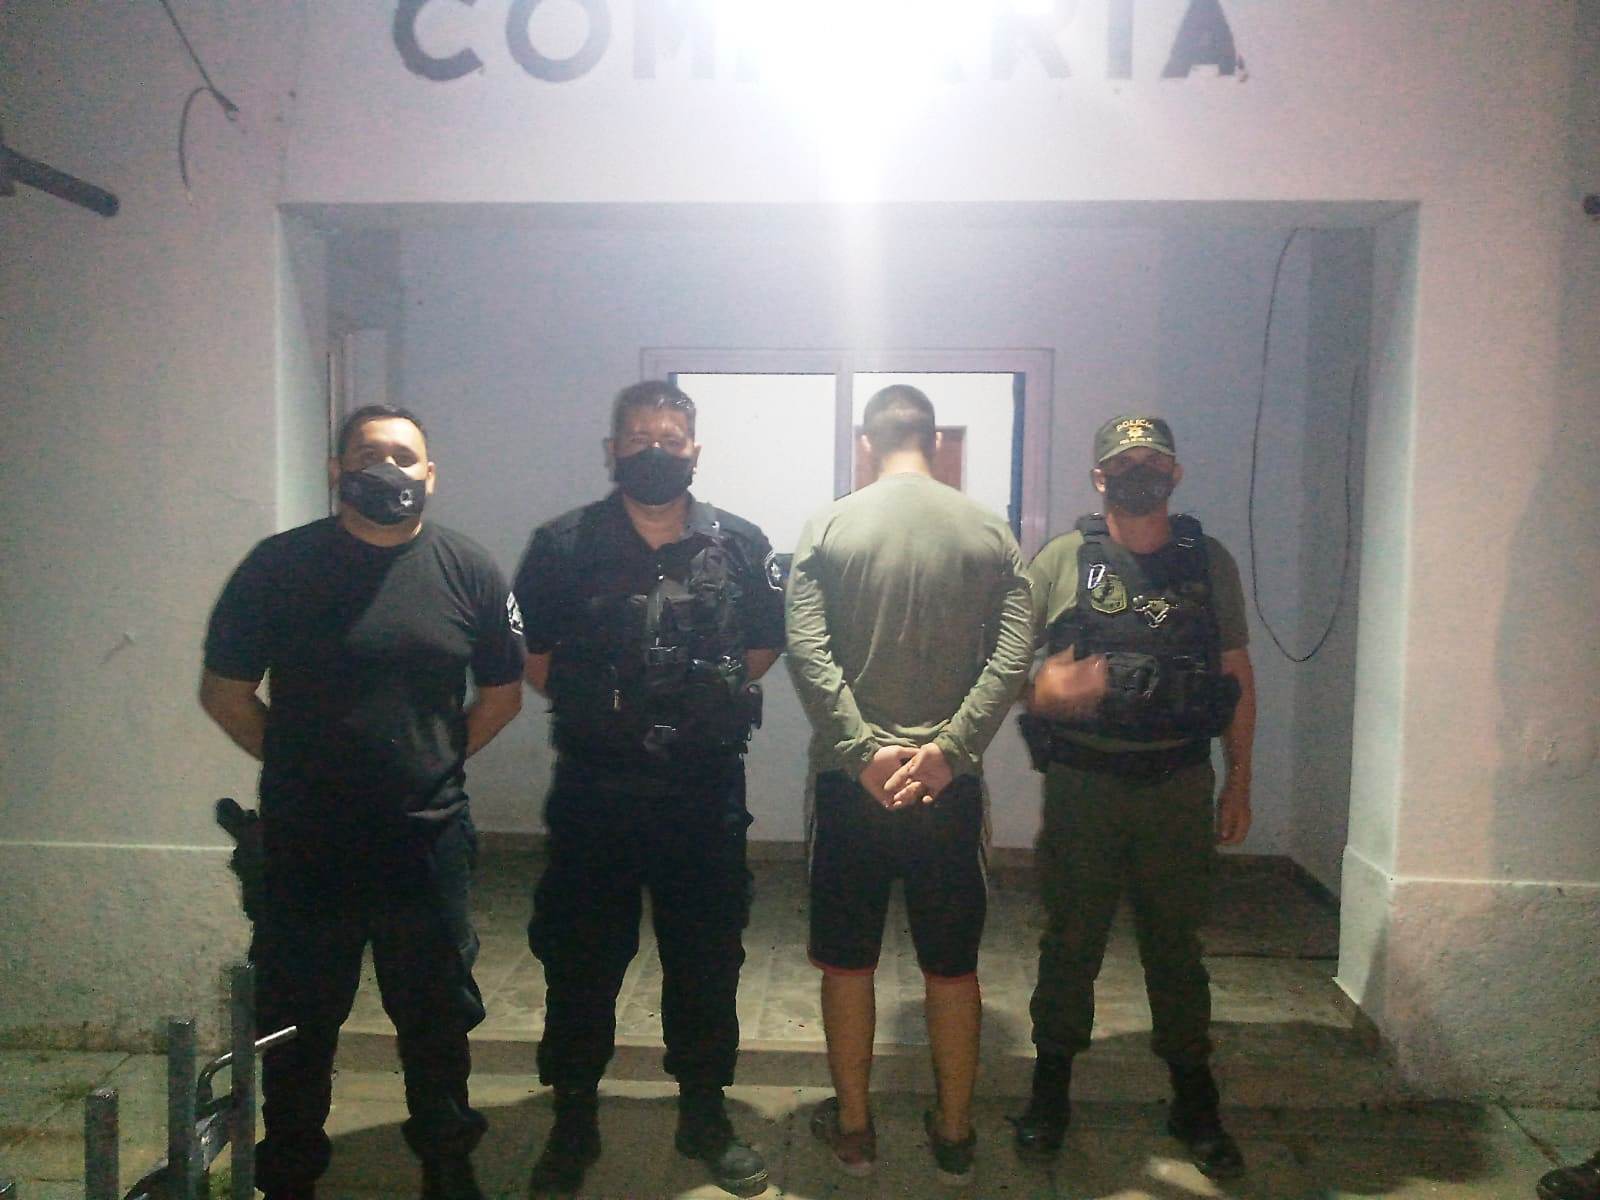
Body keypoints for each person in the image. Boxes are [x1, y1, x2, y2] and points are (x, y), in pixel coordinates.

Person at [199, 404, 526, 1200]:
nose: (387, 469)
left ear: (430, 475)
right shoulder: (280, 566)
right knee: (296, 1018)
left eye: (404, 457)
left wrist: (431, 763)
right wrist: (302, 766)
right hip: (309, 841)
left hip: (427, 841)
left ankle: (446, 1162)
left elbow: (503, 695)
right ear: (337, 470)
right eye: (369, 453)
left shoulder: (469, 569)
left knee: (438, 1015)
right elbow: (226, 693)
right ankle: (291, 1166)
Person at [512, 380, 785, 1198]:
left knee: (707, 957)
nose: (654, 451)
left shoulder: (741, 544)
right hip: (597, 791)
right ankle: (573, 1116)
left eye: (670, 438)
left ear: (695, 451)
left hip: (702, 793)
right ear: (612, 450)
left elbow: (764, 645)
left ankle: (705, 1113)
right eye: (637, 437)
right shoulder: (563, 545)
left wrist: (694, 699)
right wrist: (616, 705)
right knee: (581, 959)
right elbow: (534, 660)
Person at [786, 384, 1035, 1186]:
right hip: (946, 791)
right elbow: (1011, 659)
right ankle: (955, 1135)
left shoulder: (828, 527)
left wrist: (862, 753)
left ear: (867, 443)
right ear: (932, 440)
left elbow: (808, 653)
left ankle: (855, 1132)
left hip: (850, 788)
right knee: (952, 968)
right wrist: (948, 753)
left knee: (847, 964)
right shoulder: (990, 533)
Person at [1011, 415, 1255, 1180]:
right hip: (1085, 785)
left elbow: (1236, 676)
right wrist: (1042, 690)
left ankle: (1193, 1097)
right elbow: (1009, 664)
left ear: (1175, 474)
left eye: (1153, 461)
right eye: (1123, 462)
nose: (1138, 472)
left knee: (1176, 946)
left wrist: (1240, 780)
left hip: (1178, 783)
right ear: (1099, 477)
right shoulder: (1062, 560)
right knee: (1071, 941)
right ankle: (1050, 1088)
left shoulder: (1206, 561)